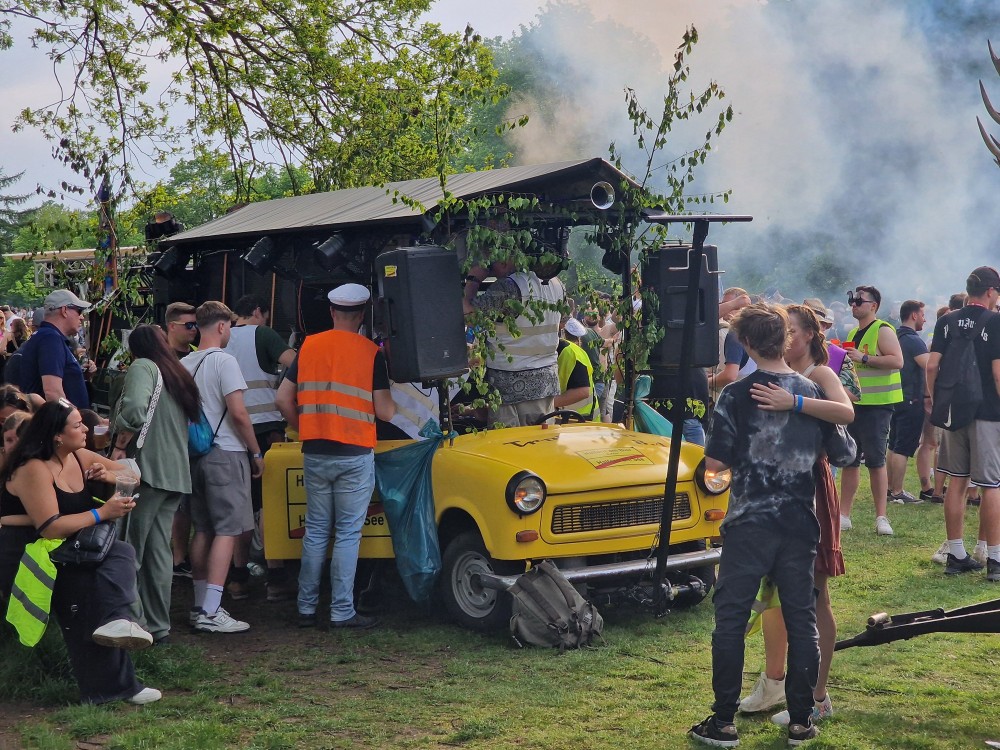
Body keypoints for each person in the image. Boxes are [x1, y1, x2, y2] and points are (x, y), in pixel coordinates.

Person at [690, 303, 837, 747]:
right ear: (786, 340)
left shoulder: (734, 395)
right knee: (801, 620)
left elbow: (715, 461)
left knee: (731, 620)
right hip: (798, 522)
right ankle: (800, 720)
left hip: (750, 522)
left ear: (748, 343)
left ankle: (723, 722)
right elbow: (844, 452)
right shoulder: (810, 390)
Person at [736, 304, 855, 729]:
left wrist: (796, 401)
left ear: (807, 335)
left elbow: (846, 413)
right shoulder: (769, 373)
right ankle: (773, 680)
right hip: (769, 493)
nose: (785, 335)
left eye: (791, 329)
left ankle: (818, 696)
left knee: (813, 595)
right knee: (773, 592)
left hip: (810, 489)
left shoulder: (819, 373)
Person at [0, 400, 161, 705]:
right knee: (85, 591)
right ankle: (113, 684)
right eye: (77, 425)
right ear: (57, 436)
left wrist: (108, 476)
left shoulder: (78, 455)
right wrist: (103, 513)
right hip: (28, 555)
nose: (86, 427)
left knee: (118, 555)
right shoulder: (34, 468)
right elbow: (50, 526)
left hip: (62, 547)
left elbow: (132, 476)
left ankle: (114, 659)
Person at [275, 283, 395, 629]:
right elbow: (385, 412)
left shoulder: (308, 346)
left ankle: (306, 608)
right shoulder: (370, 352)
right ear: (361, 315)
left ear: (331, 312)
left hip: (315, 450)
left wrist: (305, 427)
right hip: (354, 453)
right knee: (346, 534)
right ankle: (342, 611)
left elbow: (283, 399)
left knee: (314, 531)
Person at [111, 325, 202, 645]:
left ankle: (131, 622)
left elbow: (135, 411)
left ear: (135, 349)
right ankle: (158, 626)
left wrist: (120, 437)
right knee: (159, 552)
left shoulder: (143, 366)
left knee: (129, 548)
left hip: (144, 471)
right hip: (175, 473)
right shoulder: (176, 371)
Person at [182, 301, 263, 634]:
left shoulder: (184, 364)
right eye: (229, 326)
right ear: (220, 327)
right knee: (228, 530)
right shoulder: (224, 361)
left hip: (195, 456)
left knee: (203, 529)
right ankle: (212, 610)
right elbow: (239, 414)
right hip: (226, 453)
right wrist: (255, 452)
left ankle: (201, 603)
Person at [926, 267, 1000, 579]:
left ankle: (956, 552)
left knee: (956, 482)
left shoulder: (946, 320)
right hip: (988, 412)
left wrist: (937, 399)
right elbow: (998, 373)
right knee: (991, 485)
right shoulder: (996, 322)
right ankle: (995, 559)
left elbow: (931, 366)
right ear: (992, 291)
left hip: (953, 413)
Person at [222, 294, 296, 602]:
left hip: (230, 433)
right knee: (271, 502)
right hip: (266, 430)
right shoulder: (262, 333)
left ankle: (237, 578)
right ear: (257, 312)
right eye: (264, 315)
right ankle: (276, 575)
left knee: (241, 505)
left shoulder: (220, 338)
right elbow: (296, 363)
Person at [463, 256, 565, 427]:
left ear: (505, 259)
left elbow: (469, 317)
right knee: (541, 446)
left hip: (510, 391)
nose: (492, 269)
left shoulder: (509, 286)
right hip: (546, 385)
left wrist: (473, 280)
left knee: (508, 449)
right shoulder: (557, 284)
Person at [839, 285, 904, 536]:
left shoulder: (883, 330)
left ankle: (881, 516)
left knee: (876, 461)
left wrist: (863, 358)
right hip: (854, 404)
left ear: (873, 306)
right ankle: (844, 514)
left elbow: (897, 361)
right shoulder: (854, 332)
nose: (854, 304)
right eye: (852, 300)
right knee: (850, 460)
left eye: (859, 300)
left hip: (877, 406)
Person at [15, 290, 95, 407]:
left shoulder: (48, 337)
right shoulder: (50, 338)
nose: (82, 317)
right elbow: (53, 393)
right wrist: (74, 417)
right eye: (79, 311)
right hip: (60, 423)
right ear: (64, 310)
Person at [886, 300, 930, 504]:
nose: (924, 319)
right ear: (914, 315)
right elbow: (929, 367)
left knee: (893, 445)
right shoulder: (914, 340)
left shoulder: (895, 336)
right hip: (911, 398)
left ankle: (889, 488)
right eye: (922, 314)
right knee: (903, 447)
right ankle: (897, 491)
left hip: (895, 396)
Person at [555, 318, 596, 417]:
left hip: (579, 421)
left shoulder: (571, 352)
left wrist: (547, 404)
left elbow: (582, 392)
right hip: (574, 419)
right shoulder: (573, 351)